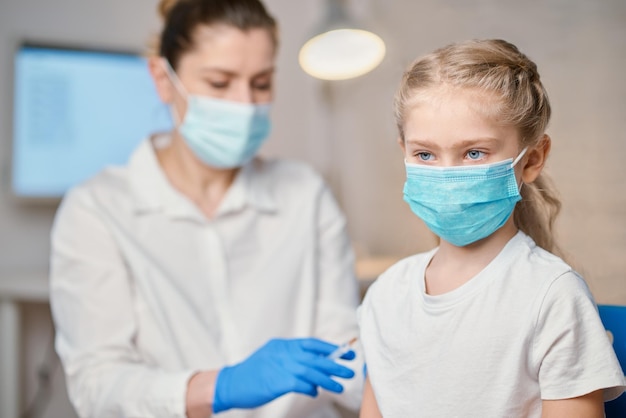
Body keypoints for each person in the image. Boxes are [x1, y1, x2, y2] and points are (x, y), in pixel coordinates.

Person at [48, 1, 364, 417]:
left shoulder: (304, 194)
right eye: (220, 83)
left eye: (262, 83)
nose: (245, 104)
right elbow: (97, 384)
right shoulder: (98, 209)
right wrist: (222, 386)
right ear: (163, 79)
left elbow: (346, 357)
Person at [357, 39, 626, 417]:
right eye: (425, 154)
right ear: (403, 151)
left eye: (474, 153)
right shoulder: (385, 297)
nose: (447, 174)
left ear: (531, 159)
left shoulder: (552, 297)